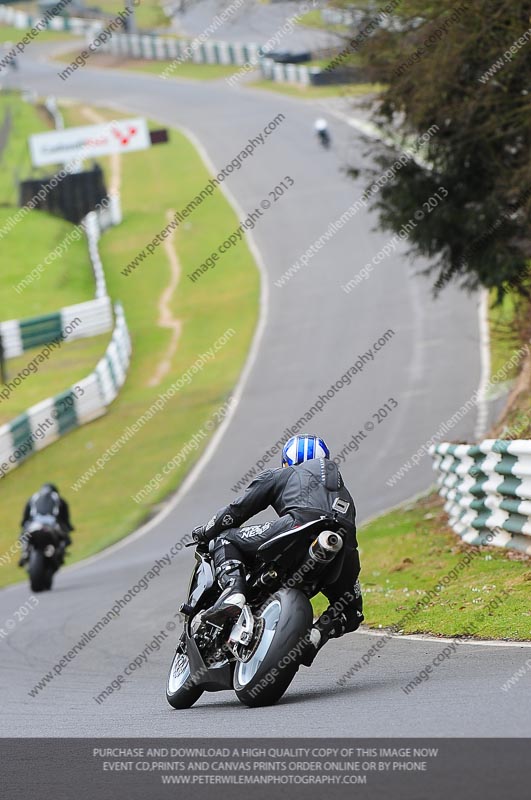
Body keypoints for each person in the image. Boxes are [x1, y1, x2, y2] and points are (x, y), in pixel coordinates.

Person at [192, 434, 363, 666]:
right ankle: (315, 636)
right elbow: (353, 615)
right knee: (351, 609)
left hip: (298, 524)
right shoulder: (344, 492)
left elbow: (236, 511)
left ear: (286, 461)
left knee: (225, 539)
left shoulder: (282, 474)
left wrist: (205, 532)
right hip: (345, 546)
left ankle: (234, 591)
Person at [19, 484, 74, 566]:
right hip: (52, 525)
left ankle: (25, 552)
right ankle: (60, 553)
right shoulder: (59, 499)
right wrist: (69, 527)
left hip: (34, 525)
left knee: (23, 536)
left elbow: (25, 517)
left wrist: (23, 525)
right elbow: (65, 518)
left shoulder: (33, 498)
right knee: (66, 539)